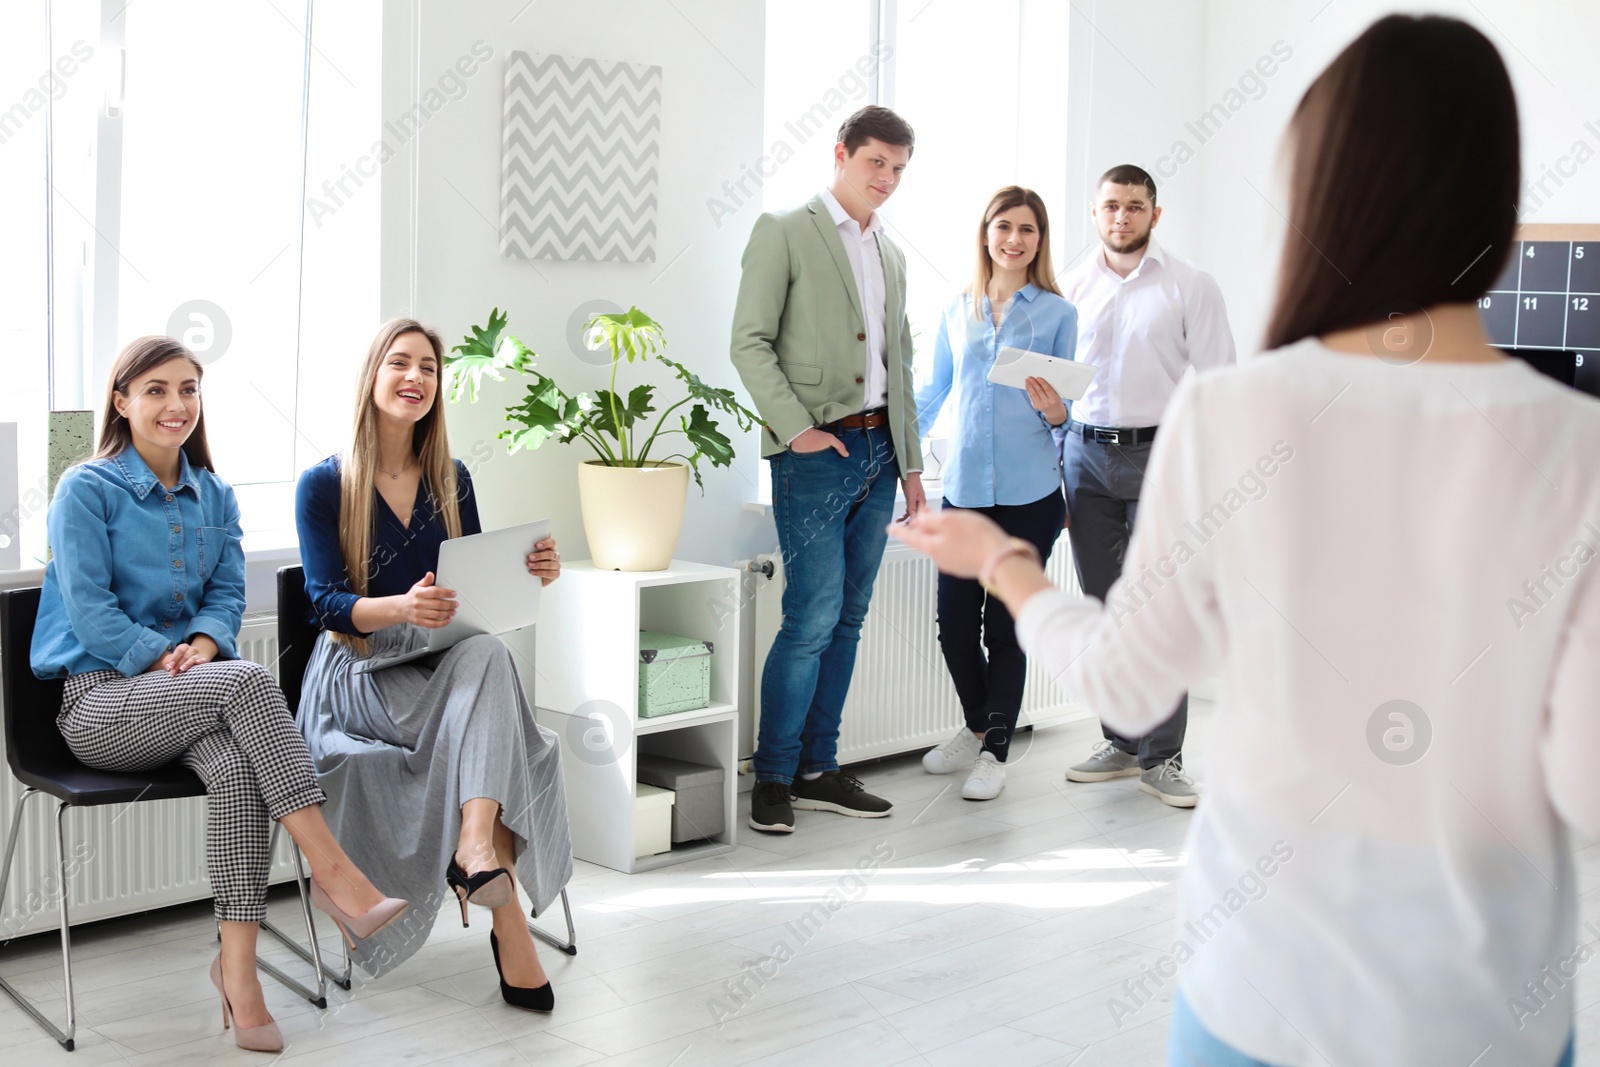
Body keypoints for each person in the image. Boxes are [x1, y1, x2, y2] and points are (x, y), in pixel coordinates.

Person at [893, 14, 1592, 1066]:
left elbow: (1125, 685)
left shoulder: (1231, 414)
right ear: (1496, 200)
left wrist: (1004, 564)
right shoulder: (1575, 446)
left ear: (1320, 191)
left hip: (1259, 994)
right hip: (1487, 1012)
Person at [32, 336, 407, 1054]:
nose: (176, 405)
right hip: (100, 704)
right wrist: (160, 655)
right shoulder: (85, 488)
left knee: (239, 768)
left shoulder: (217, 494)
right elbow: (88, 607)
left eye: (188, 390)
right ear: (121, 401)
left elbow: (228, 591)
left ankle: (239, 974)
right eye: (155, 390)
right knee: (252, 679)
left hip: (192, 688)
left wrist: (200, 648)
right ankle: (335, 873)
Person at [294, 318, 571, 1011]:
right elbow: (326, 605)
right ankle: (508, 924)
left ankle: (475, 848)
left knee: (487, 649)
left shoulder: (454, 478)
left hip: (437, 660)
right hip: (357, 672)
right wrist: (399, 608)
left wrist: (534, 572)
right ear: (373, 375)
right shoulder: (324, 484)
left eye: (428, 367)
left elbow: (470, 595)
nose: (416, 377)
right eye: (400, 363)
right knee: (495, 694)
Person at [730, 104, 926, 834]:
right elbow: (748, 341)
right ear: (841, 153)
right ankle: (774, 776)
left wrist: (910, 467)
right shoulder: (783, 231)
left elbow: (897, 367)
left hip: (880, 454)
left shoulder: (893, 254)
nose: (887, 178)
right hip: (818, 453)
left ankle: (820, 768)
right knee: (809, 617)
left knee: (848, 618)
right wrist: (799, 431)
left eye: (900, 169)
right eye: (877, 162)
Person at [1057, 163, 1236, 808]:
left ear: (1154, 214)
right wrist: (1059, 465)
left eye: (1135, 207)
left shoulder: (1190, 284)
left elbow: (1220, 386)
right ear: (1095, 212)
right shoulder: (1069, 287)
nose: (1122, 218)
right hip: (1083, 455)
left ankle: (1165, 757)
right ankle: (1122, 741)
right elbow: (1056, 389)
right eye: (1111, 206)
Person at [913, 186, 1076, 800]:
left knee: (1007, 628)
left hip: (1032, 494)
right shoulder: (959, 308)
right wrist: (902, 454)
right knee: (954, 623)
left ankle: (995, 752)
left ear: (1041, 240)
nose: (1014, 239)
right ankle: (983, 726)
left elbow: (1069, 417)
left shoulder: (1060, 315)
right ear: (985, 234)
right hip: (964, 491)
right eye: (1003, 226)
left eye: (1027, 229)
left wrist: (1057, 409)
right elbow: (932, 390)